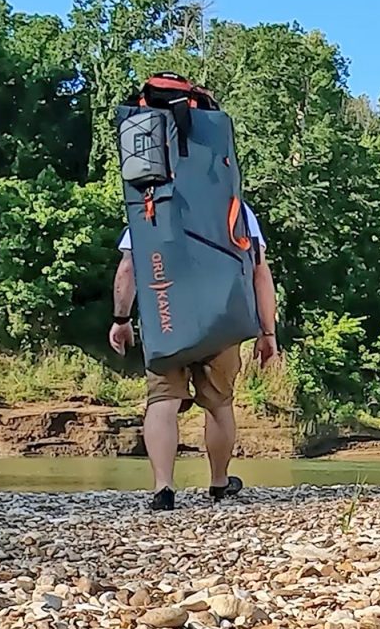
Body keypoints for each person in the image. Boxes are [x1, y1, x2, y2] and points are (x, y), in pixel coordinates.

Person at [108, 202, 279, 511]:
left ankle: (164, 488)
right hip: (222, 318)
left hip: (165, 317)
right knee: (219, 402)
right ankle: (218, 482)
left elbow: (129, 267)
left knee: (163, 401)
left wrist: (122, 319)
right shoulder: (235, 206)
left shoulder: (149, 203)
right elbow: (259, 271)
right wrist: (268, 333)